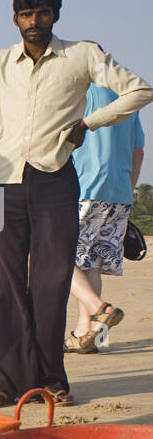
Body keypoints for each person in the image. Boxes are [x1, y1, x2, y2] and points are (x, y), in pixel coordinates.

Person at [0, 0, 151, 407]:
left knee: (51, 282)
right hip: (0, 186)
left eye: (44, 13)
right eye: (27, 14)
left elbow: (140, 90)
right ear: (15, 18)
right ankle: (7, 382)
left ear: (57, 13)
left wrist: (88, 124)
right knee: (9, 284)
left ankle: (52, 379)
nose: (35, 22)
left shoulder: (82, 56)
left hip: (55, 182)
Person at [66, 73, 144, 354]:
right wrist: (128, 189)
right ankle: (87, 335)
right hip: (120, 191)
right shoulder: (126, 98)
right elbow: (138, 151)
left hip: (84, 186)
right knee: (91, 262)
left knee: (54, 256)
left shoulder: (76, 92)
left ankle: (101, 308)